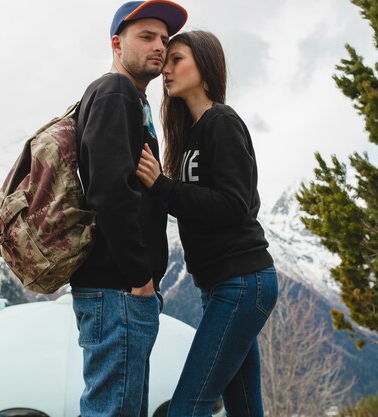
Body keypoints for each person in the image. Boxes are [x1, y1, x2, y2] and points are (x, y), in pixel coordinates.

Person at [136, 30, 278, 417]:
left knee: (187, 406)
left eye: (176, 59)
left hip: (242, 281)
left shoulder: (222, 122)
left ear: (205, 64)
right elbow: (199, 204)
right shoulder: (189, 135)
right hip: (220, 286)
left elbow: (235, 205)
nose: (167, 69)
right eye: (165, 61)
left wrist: (164, 186)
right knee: (244, 408)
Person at [69, 2, 187, 416]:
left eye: (164, 39)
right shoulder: (116, 93)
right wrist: (140, 278)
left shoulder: (127, 98)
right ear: (117, 44)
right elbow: (110, 194)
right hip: (118, 289)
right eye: (147, 36)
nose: (159, 46)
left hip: (120, 291)